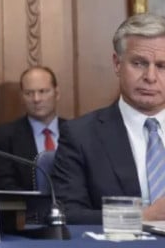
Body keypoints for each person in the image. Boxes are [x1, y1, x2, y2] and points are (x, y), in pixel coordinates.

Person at [53, 12, 165, 224]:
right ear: (117, 64)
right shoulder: (81, 136)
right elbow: (67, 213)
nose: (150, 77)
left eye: (162, 66)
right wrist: (143, 217)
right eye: (139, 63)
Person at [0, 66, 65, 191]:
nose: (36, 99)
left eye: (43, 91)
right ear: (22, 96)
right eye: (29, 93)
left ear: (57, 93)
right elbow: (2, 185)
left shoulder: (77, 133)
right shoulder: (3, 137)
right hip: (27, 209)